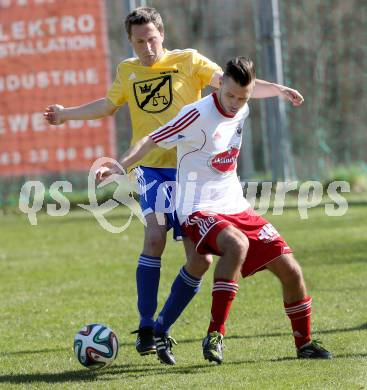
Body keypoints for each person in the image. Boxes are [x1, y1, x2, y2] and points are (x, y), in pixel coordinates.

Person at [44, 6, 305, 357]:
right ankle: (147, 326)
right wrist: (65, 115)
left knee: (200, 262)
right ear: (130, 41)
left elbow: (234, 86)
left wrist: (278, 90)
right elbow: (108, 105)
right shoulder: (128, 70)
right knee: (154, 237)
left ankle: (164, 326)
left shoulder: (189, 61)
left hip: (191, 176)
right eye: (139, 42)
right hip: (151, 167)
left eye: (152, 39)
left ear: (162, 35)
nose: (147, 48)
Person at [98, 56, 332, 365]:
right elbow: (150, 141)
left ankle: (304, 345)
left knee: (291, 271)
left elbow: (252, 88)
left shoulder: (244, 103)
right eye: (231, 95)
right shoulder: (195, 114)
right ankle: (215, 334)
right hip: (196, 206)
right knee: (235, 246)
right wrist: (119, 165)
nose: (236, 103)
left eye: (242, 97)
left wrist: (278, 90)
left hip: (234, 203)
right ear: (219, 84)